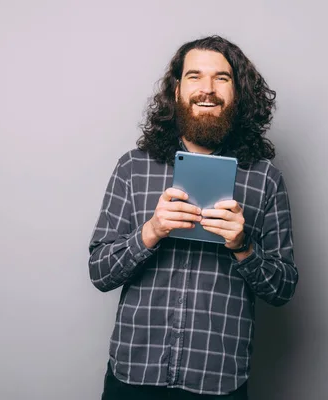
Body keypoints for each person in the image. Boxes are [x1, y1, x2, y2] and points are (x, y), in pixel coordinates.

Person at [88, 35, 298, 400]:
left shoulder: (264, 178)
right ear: (176, 90)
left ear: (238, 93)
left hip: (218, 380)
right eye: (194, 76)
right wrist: (150, 232)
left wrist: (244, 247)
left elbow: (283, 289)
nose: (207, 89)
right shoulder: (133, 168)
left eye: (222, 78)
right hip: (134, 374)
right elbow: (99, 272)